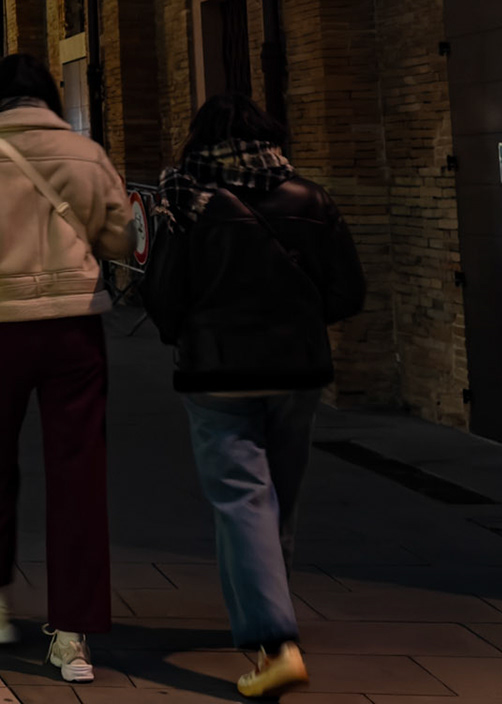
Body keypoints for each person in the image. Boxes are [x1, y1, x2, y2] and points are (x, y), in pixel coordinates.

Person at [145, 95, 366, 699]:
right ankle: (274, 615)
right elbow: (347, 291)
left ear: (201, 139)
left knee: (242, 500)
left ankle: (273, 640)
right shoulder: (310, 198)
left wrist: (185, 335)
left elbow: (163, 295)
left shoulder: (188, 200)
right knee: (280, 500)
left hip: (217, 374)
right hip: (297, 372)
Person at [0, 53, 131, 684]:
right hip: (76, 327)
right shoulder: (87, 153)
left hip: (0, 327)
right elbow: (122, 240)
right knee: (79, 472)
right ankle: (72, 636)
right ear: (48, 98)